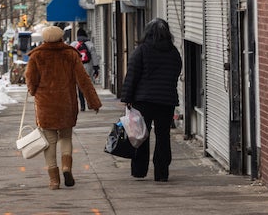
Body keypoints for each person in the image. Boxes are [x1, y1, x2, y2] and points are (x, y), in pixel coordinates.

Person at [25, 24, 101, 190]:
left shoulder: (36, 56)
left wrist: (33, 91)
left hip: (46, 106)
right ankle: (67, 168)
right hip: (66, 104)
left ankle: (54, 180)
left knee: (50, 142)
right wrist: (93, 102)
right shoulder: (70, 54)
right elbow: (84, 80)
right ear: (61, 37)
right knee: (66, 138)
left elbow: (31, 82)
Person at [119, 18, 183, 182]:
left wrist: (127, 98)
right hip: (166, 101)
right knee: (163, 136)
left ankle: (139, 170)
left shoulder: (141, 50)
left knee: (141, 135)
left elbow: (132, 75)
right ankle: (162, 173)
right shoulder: (174, 52)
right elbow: (175, 74)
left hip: (144, 100)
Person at [72, 28, 97, 111]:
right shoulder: (90, 44)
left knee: (80, 87)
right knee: (88, 86)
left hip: (77, 67)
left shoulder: (74, 45)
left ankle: (82, 105)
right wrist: (96, 67)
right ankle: (90, 104)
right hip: (88, 67)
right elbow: (94, 57)